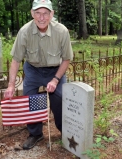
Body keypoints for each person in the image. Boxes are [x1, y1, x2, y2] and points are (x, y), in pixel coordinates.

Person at [4, 0, 73, 150]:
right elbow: (16, 60)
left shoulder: (62, 31)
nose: (42, 17)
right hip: (33, 70)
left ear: (52, 14)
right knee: (30, 99)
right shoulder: (24, 32)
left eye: (45, 13)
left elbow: (67, 59)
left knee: (60, 99)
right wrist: (10, 85)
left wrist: (55, 80)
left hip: (55, 71)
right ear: (32, 13)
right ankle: (35, 134)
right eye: (38, 13)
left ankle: (64, 132)